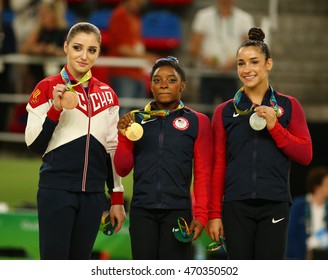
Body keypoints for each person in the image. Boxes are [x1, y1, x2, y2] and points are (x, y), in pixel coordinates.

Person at [207, 27, 313, 260]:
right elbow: (218, 164)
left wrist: (275, 126)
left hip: (274, 202)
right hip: (236, 205)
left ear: (268, 64)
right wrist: (214, 214)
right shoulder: (224, 111)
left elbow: (305, 154)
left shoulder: (289, 105)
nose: (247, 70)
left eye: (254, 62)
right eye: (241, 63)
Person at [24, 22, 126, 260]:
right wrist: (54, 111)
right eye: (78, 48)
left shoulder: (108, 95)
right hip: (57, 191)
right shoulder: (47, 87)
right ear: (66, 47)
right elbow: (33, 145)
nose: (84, 56)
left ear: (99, 52)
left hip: (93, 194)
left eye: (92, 50)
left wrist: (117, 198)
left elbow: (112, 149)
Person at [113, 56, 212, 259]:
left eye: (171, 80)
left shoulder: (197, 121)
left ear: (183, 85)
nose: (164, 84)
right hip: (142, 210)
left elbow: (202, 173)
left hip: (178, 212)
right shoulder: (135, 120)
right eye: (157, 80)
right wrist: (123, 138)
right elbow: (122, 169)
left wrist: (201, 215)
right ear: (150, 85)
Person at [189, 0, 254, 104]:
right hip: (208, 72)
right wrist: (206, 60)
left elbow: (249, 48)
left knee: (231, 111)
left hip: (232, 74)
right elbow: (194, 47)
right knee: (205, 111)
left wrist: (235, 61)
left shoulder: (244, 19)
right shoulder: (203, 16)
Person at [105, 0, 158, 115]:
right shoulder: (120, 15)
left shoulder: (134, 15)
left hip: (136, 70)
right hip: (123, 71)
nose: (139, 5)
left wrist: (144, 57)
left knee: (139, 113)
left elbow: (134, 43)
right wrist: (146, 57)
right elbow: (122, 48)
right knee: (124, 111)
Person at [286, 166, 328, 260]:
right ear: (317, 186)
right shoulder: (298, 206)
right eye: (327, 184)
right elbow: (291, 234)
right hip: (302, 256)